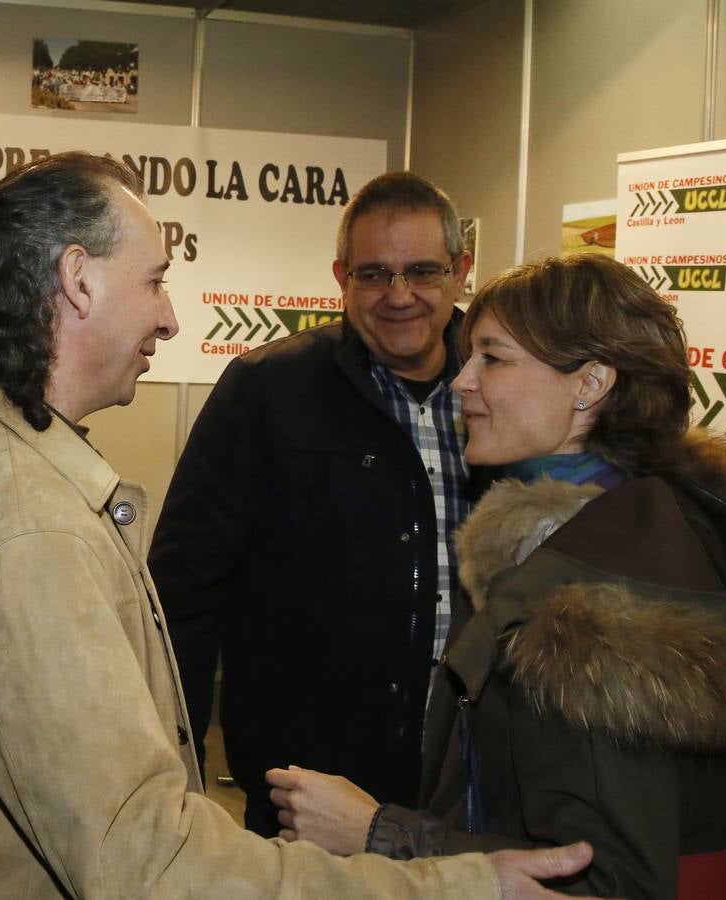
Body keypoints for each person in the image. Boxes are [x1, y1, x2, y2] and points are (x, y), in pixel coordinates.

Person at [0, 152, 598, 898]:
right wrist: (457, 886)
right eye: (155, 281)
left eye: (423, 271)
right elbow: (152, 864)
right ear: (78, 280)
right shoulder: (21, 521)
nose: (169, 318)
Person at [266, 255, 726, 899]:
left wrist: (378, 832)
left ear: (591, 382)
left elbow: (607, 882)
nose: (462, 381)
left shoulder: (592, 601)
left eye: (493, 358)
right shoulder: (630, 531)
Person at [150, 171, 480, 837]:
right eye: (373, 274)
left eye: (422, 270)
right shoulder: (267, 391)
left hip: (467, 787)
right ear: (340, 279)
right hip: (305, 797)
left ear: (461, 272)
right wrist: (173, 769)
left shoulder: (505, 391)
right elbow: (183, 592)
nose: (399, 295)